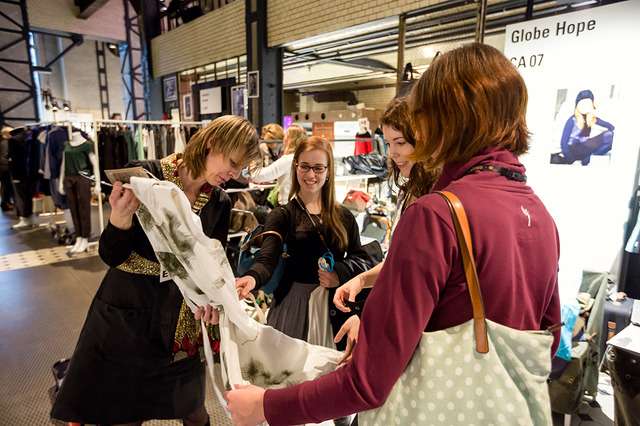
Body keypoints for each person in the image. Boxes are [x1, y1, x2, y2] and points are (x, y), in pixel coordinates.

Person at [222, 42, 562, 426]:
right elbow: (543, 345)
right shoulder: (539, 214)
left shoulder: (437, 213)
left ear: (448, 117)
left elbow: (368, 382)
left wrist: (268, 406)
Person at [50, 115, 260, 426]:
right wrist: (119, 219)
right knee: (124, 413)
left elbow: (213, 267)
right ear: (211, 143)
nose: (235, 173)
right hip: (128, 313)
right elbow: (111, 255)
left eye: (242, 168)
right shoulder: (145, 175)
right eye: (232, 162)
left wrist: (218, 300)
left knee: (193, 410)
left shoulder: (219, 201)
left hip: (180, 318)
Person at [235, 136, 374, 352]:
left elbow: (361, 258)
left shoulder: (343, 216)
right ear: (296, 168)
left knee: (331, 375)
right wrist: (252, 279)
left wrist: (339, 272)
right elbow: (266, 261)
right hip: (294, 308)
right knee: (293, 377)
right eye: (305, 167)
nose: (311, 174)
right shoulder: (282, 215)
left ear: (328, 171)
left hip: (336, 307)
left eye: (318, 168)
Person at [332, 97, 440, 361]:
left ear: (424, 138)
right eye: (389, 143)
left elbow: (415, 279)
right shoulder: (410, 189)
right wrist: (361, 279)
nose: (392, 153)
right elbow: (398, 262)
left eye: (400, 142)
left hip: (422, 336)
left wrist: (371, 320)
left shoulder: (436, 200)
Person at [250, 124, 308, 206]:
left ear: (291, 140)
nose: (283, 139)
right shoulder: (305, 159)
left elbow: (258, 176)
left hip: (288, 206)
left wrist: (252, 166)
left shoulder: (288, 160)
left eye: (286, 136)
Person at [559, 89, 615, 165]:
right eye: (582, 104)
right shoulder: (572, 120)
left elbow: (607, 125)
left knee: (611, 139)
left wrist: (613, 128)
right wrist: (571, 161)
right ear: (577, 105)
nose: (584, 107)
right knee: (609, 135)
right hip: (573, 149)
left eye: (588, 104)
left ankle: (585, 161)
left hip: (583, 148)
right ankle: (583, 161)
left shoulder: (590, 117)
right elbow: (563, 143)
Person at [0, 126, 14, 212]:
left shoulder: (2, 142)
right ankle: (5, 203)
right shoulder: (5, 143)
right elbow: (7, 154)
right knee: (7, 186)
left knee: (5, 186)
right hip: (5, 166)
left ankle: (6, 203)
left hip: (2, 166)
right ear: (7, 134)